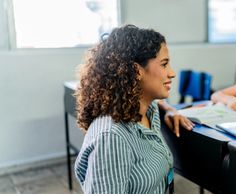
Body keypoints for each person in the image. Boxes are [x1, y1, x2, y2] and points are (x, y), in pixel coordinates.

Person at [74, 24, 194, 193]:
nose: (172, 73)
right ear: (137, 71)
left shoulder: (146, 108)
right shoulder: (111, 138)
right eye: (164, 64)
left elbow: (158, 104)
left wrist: (170, 110)